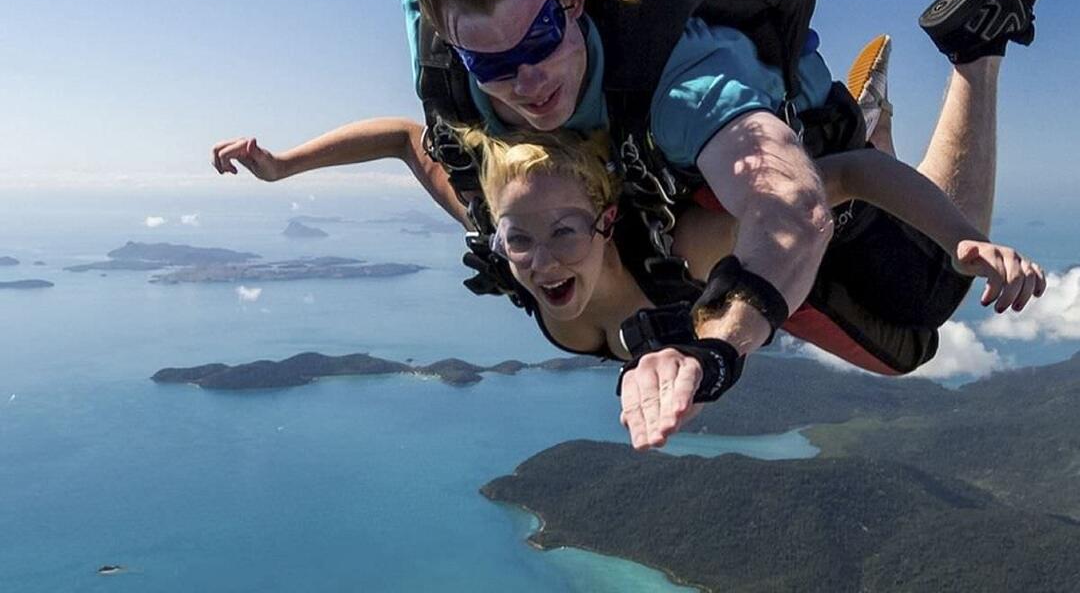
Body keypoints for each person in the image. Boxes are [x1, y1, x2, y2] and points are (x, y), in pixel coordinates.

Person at [212, 42, 1046, 450]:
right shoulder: (497, 223)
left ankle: (874, 99)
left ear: (608, 220)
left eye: (564, 233)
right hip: (738, 276)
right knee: (902, 314)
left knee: (914, 332)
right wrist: (283, 168)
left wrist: (966, 241)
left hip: (773, 239)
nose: (538, 261)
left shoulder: (679, 243)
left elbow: (852, 178)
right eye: (520, 239)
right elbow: (402, 137)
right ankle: (867, 106)